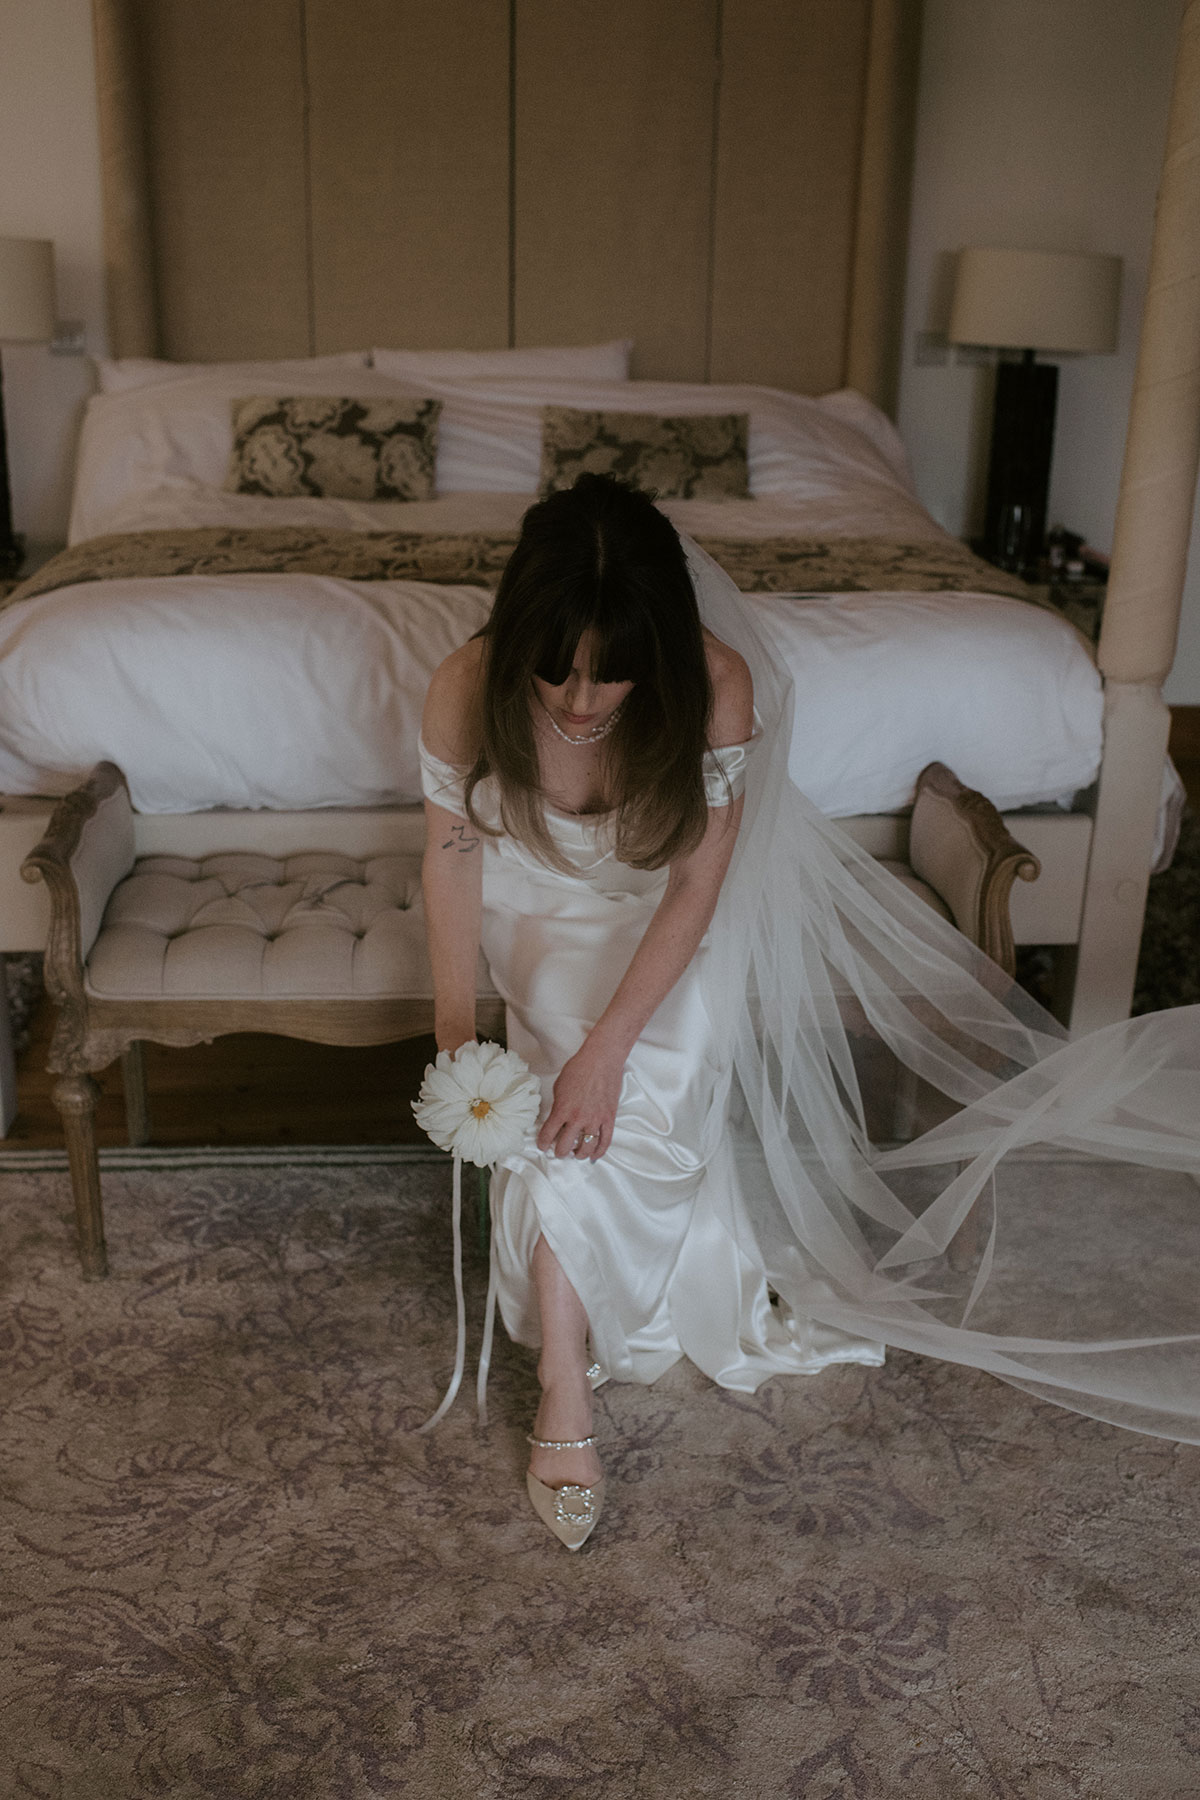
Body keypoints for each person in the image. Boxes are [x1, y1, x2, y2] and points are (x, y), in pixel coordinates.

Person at [420, 473, 1200, 1551]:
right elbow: (453, 856)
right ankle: (565, 1380)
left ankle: (570, 1344)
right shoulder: (468, 682)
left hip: (664, 912)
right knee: (551, 1059)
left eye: (612, 677)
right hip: (538, 902)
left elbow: (697, 885)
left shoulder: (717, 681)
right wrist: (457, 1041)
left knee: (638, 1067)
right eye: (555, 676)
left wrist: (609, 1049)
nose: (581, 703)